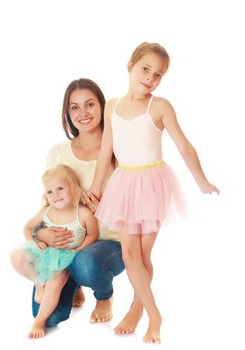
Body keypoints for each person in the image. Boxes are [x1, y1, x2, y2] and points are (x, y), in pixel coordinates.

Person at [88, 42, 220, 344]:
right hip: (123, 183)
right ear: (130, 66)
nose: (150, 78)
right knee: (129, 254)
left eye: (158, 74)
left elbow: (184, 146)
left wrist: (202, 181)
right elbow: (106, 150)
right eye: (145, 69)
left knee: (143, 255)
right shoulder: (112, 106)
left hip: (152, 185)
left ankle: (140, 310)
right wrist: (96, 187)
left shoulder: (159, 106)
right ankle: (153, 312)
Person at [31, 79, 124, 328]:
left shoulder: (121, 150)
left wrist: (102, 207)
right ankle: (74, 283)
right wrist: (43, 234)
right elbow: (47, 205)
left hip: (110, 242)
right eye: (74, 107)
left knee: (86, 263)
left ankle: (104, 296)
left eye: (89, 105)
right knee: (47, 317)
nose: (82, 113)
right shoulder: (58, 153)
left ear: (102, 107)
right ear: (67, 113)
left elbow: (135, 204)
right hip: (66, 246)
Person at [11, 164, 98, 338]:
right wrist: (35, 242)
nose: (55, 195)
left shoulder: (83, 213)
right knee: (17, 257)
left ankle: (39, 322)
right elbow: (28, 228)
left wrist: (79, 249)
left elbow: (92, 234)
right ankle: (38, 282)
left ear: (73, 187)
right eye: (50, 192)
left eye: (60, 188)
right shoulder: (46, 211)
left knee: (54, 284)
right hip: (45, 253)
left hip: (66, 258)